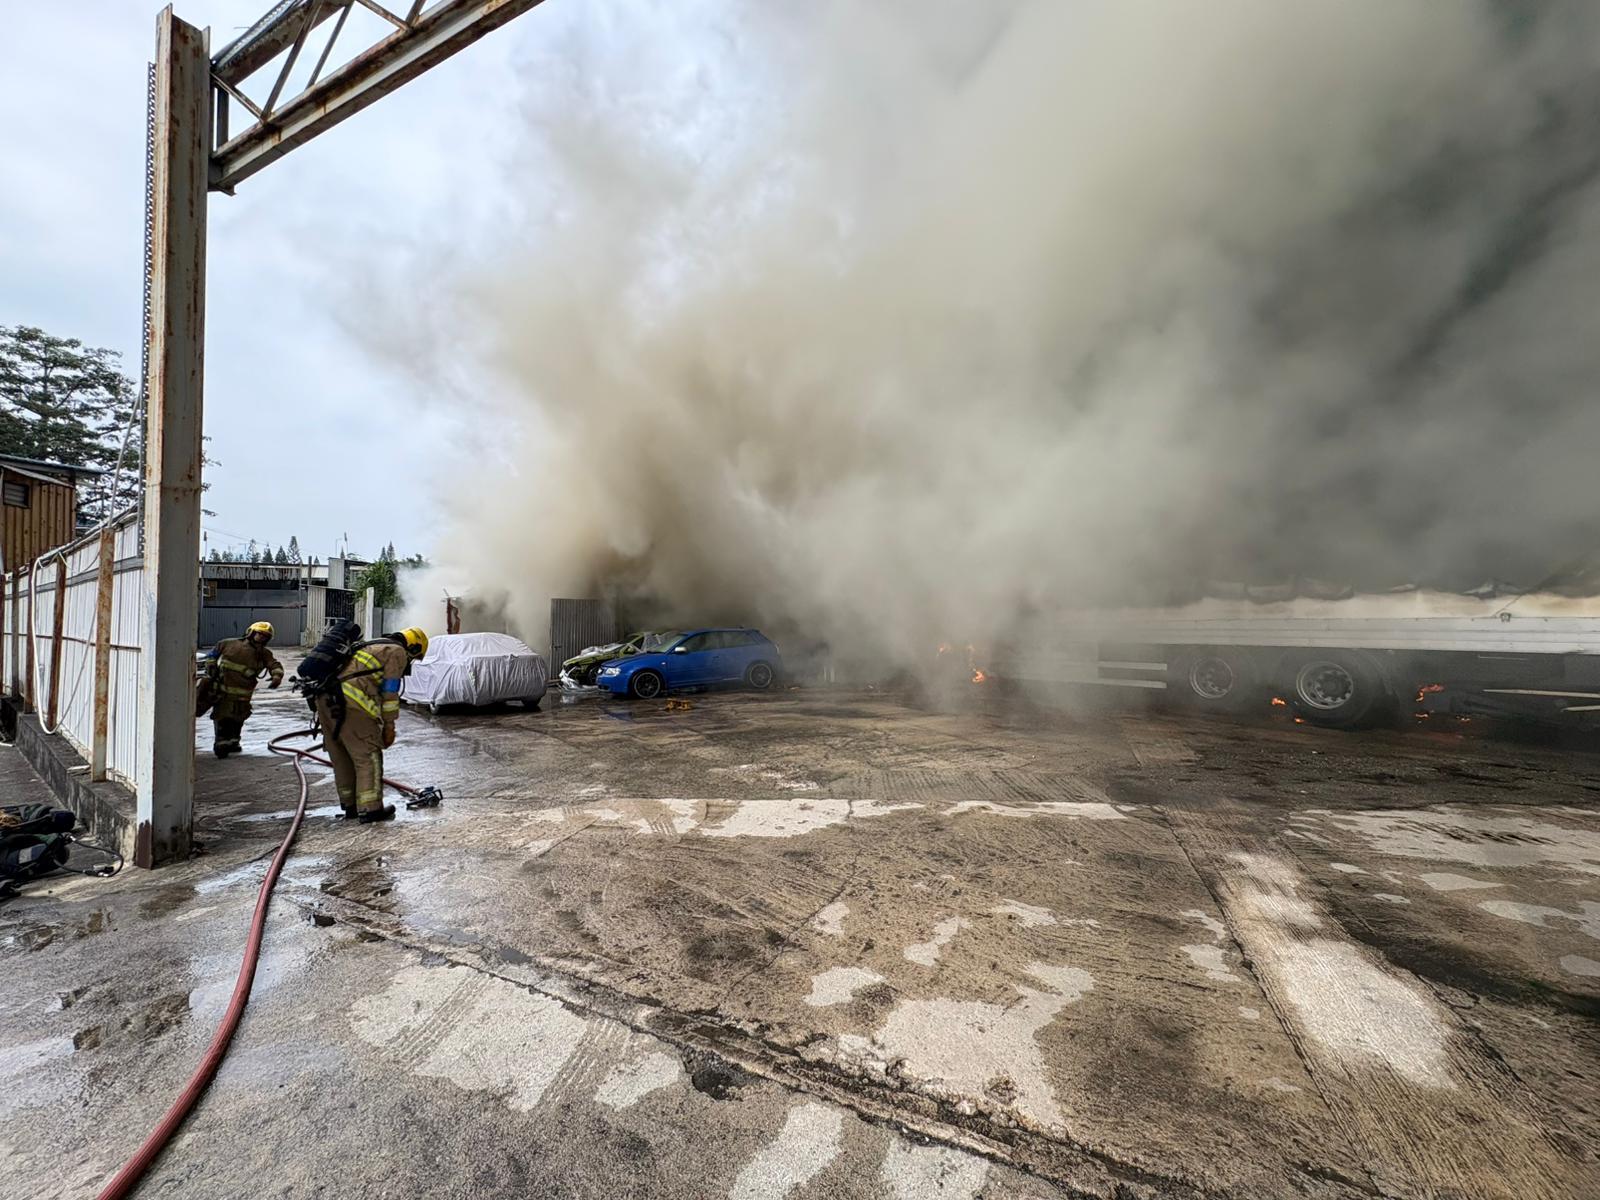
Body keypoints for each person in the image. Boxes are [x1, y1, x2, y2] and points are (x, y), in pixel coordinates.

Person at [316, 627, 427, 823]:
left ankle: (350, 807)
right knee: (368, 756)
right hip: (351, 703)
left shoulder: (371, 645)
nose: (411, 662)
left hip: (325, 700)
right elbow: (390, 692)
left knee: (342, 757)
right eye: (415, 657)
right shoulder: (397, 652)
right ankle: (371, 809)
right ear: (413, 645)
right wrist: (389, 725)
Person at [203, 621, 284, 758]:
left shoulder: (264, 653)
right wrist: (210, 664)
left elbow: (274, 665)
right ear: (251, 632)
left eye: (265, 636)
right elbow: (212, 654)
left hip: (244, 694)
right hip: (223, 690)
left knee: (239, 717)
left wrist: (277, 676)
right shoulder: (227, 643)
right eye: (260, 634)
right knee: (222, 716)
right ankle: (221, 744)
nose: (262, 637)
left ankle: (234, 742)